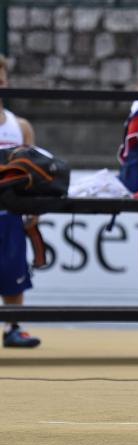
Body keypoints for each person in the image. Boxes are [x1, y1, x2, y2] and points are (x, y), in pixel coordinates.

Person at [0, 54, 40, 348]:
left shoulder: (19, 125)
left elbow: (32, 170)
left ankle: (13, 328)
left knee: (13, 270)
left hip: (9, 211)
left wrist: (33, 206)